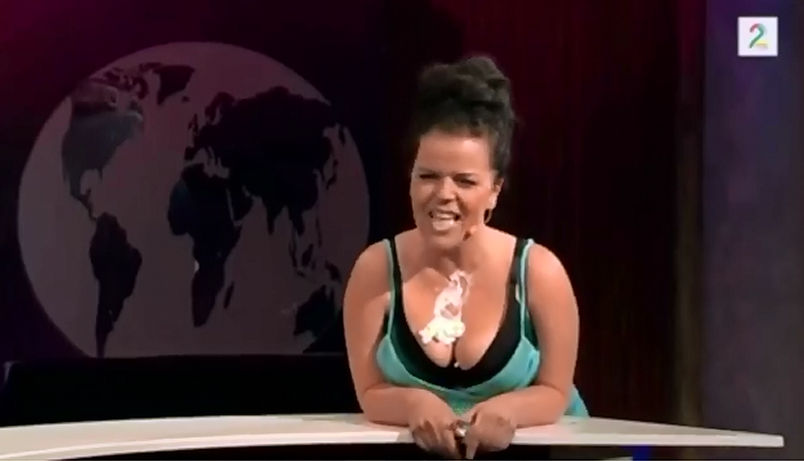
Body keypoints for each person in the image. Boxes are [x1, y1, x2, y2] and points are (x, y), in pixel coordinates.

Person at [343, 55, 588, 459]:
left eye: (465, 181)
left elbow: (555, 391)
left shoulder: (539, 271)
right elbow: (370, 392)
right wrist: (415, 404)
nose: (443, 194)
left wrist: (509, 409)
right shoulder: (376, 268)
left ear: (495, 190)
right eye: (427, 176)